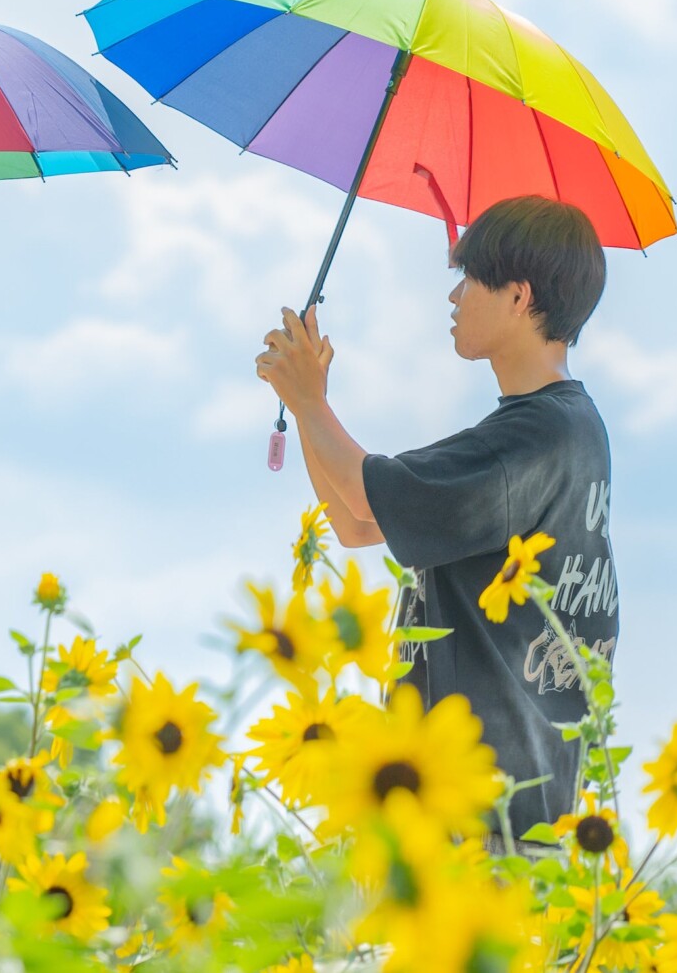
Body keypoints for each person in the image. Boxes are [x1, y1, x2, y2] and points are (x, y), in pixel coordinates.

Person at [255, 194, 618, 841]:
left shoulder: (533, 437)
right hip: (506, 817)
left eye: (469, 277)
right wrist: (308, 402)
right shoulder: (565, 429)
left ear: (517, 296)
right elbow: (358, 523)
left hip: (486, 826)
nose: (453, 297)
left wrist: (308, 402)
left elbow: (366, 499)